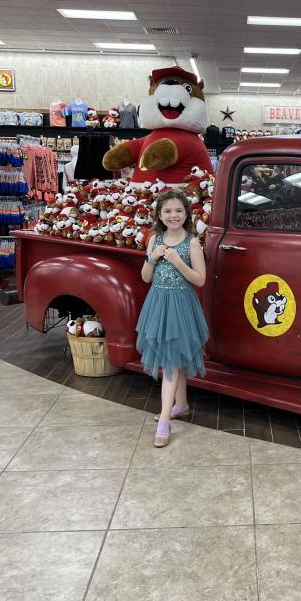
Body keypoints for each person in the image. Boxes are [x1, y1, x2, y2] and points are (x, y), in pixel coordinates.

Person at [137, 190, 209, 447]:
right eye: (167, 211)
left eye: (178, 210)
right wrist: (151, 258)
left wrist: (178, 261)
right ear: (159, 215)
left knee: (171, 362)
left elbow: (200, 280)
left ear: (187, 213)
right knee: (173, 359)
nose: (173, 215)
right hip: (158, 303)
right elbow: (146, 277)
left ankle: (165, 420)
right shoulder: (155, 238)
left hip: (181, 305)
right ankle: (181, 405)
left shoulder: (191, 242)